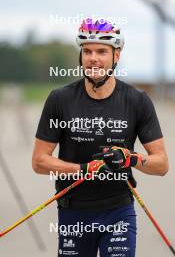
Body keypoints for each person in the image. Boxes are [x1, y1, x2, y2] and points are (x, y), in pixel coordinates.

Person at [32, 18, 169, 257]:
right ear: (81, 56)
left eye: (101, 51)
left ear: (117, 56)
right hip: (73, 211)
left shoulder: (137, 100)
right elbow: (39, 162)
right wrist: (83, 169)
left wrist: (130, 159)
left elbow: (161, 164)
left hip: (118, 211)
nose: (93, 57)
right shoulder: (59, 99)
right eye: (87, 51)